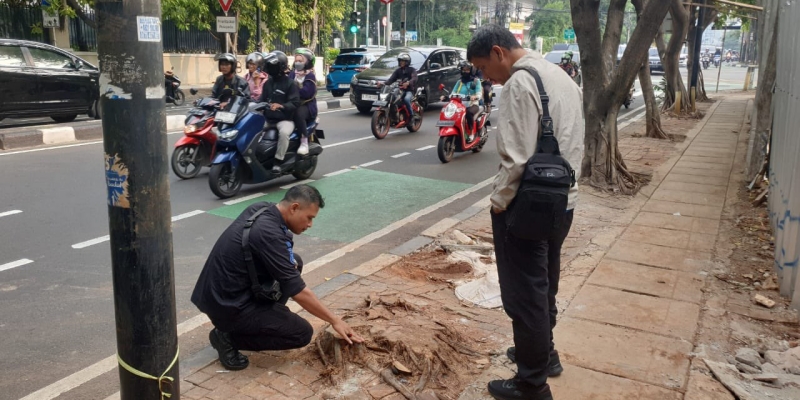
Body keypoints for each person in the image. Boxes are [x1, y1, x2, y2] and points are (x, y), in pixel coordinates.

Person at [467, 24, 584, 400]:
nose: (486, 77)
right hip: (561, 201)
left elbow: (515, 160)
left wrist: (499, 205)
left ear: (499, 52)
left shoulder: (519, 83)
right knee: (544, 282)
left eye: (484, 68)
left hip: (527, 206)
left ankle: (531, 384)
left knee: (524, 295)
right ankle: (544, 354)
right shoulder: (558, 75)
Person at [191, 185, 365, 371]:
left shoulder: (263, 208)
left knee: (294, 262)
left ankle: (263, 319)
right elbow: (298, 291)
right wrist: (335, 320)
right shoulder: (268, 233)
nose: (310, 225)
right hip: (228, 305)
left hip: (218, 293)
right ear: (294, 208)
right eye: (309, 218)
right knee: (301, 333)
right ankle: (226, 338)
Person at [259, 51, 300, 174]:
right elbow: (261, 99)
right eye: (269, 66)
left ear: (281, 66)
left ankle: (278, 161)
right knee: (252, 129)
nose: (270, 69)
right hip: (268, 119)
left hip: (285, 120)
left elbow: (295, 103)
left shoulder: (290, 83)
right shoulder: (267, 83)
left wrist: (281, 106)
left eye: (273, 66)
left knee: (283, 134)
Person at [441, 60, 482, 142]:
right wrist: (445, 97)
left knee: (469, 113)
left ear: (471, 70)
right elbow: (453, 93)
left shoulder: (476, 81)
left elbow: (479, 93)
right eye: (463, 69)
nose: (465, 71)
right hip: (459, 105)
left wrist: (475, 96)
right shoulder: (459, 82)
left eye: (467, 69)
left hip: (472, 104)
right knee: (447, 111)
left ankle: (471, 133)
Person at [289, 48, 318, 156]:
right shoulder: (292, 74)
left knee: (298, 113)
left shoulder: (310, 76)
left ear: (308, 62)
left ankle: (304, 141)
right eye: (296, 60)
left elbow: (306, 93)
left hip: (306, 106)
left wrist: (294, 90)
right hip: (293, 103)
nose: (298, 63)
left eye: (301, 61)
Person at [381, 52, 418, 121]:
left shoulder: (412, 70)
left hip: (409, 91)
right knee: (390, 97)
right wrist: (382, 83)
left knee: (406, 99)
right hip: (400, 90)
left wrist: (408, 83)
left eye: (403, 61)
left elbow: (414, 78)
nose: (401, 62)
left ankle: (411, 116)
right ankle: (393, 115)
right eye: (400, 61)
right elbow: (391, 80)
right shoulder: (398, 71)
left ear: (407, 62)